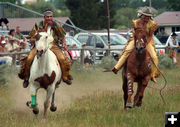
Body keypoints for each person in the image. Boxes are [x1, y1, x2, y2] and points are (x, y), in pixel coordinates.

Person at [18, 8, 73, 88]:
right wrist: (36, 38)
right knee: (29, 58)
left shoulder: (56, 25)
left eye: (51, 16)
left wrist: (64, 44)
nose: (49, 18)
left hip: (53, 45)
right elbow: (31, 39)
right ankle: (26, 78)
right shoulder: (38, 25)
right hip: (39, 45)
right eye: (47, 17)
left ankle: (65, 77)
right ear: (44, 17)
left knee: (62, 58)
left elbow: (62, 36)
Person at [112, 6, 160, 83]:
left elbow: (150, 35)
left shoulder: (152, 24)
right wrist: (138, 40)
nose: (147, 18)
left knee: (154, 57)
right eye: (145, 16)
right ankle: (117, 67)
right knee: (127, 50)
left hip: (147, 40)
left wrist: (146, 43)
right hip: (136, 39)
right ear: (142, 15)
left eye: (148, 16)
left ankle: (152, 75)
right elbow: (135, 33)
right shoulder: (136, 22)